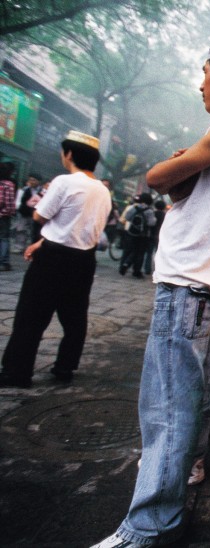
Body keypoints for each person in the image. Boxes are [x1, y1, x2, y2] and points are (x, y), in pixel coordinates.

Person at [91, 40, 210, 548]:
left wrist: (179, 162)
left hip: (189, 285)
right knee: (191, 399)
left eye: (205, 73)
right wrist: (184, 168)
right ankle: (176, 490)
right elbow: (183, 190)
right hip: (203, 287)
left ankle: (148, 527)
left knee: (167, 409)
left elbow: (157, 177)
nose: (200, 84)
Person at [0, 131, 111, 387]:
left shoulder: (65, 181)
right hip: (84, 259)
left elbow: (40, 216)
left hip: (53, 259)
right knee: (74, 317)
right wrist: (42, 241)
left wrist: (44, 239)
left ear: (69, 154)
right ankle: (64, 367)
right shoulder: (103, 191)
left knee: (31, 315)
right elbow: (80, 226)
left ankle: (17, 372)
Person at [118, 192, 156, 278]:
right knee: (140, 253)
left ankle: (124, 265)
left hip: (131, 232)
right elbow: (151, 223)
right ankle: (136, 271)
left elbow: (127, 218)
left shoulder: (134, 208)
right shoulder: (149, 210)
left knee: (130, 250)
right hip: (143, 235)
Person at [14, 173, 41, 250]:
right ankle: (19, 247)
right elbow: (20, 201)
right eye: (30, 180)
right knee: (21, 230)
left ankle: (32, 248)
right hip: (24, 213)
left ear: (38, 181)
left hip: (36, 214)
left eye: (34, 180)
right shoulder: (25, 190)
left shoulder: (41, 190)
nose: (32, 182)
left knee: (34, 231)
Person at [142, 199, 166, 274]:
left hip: (151, 235)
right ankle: (159, 269)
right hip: (161, 236)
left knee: (149, 253)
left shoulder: (153, 213)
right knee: (159, 254)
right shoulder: (165, 215)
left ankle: (147, 269)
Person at [0, 162, 15, 271]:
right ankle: (3, 262)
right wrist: (5, 213)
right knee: (4, 238)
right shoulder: (8, 185)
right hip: (4, 216)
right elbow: (9, 203)